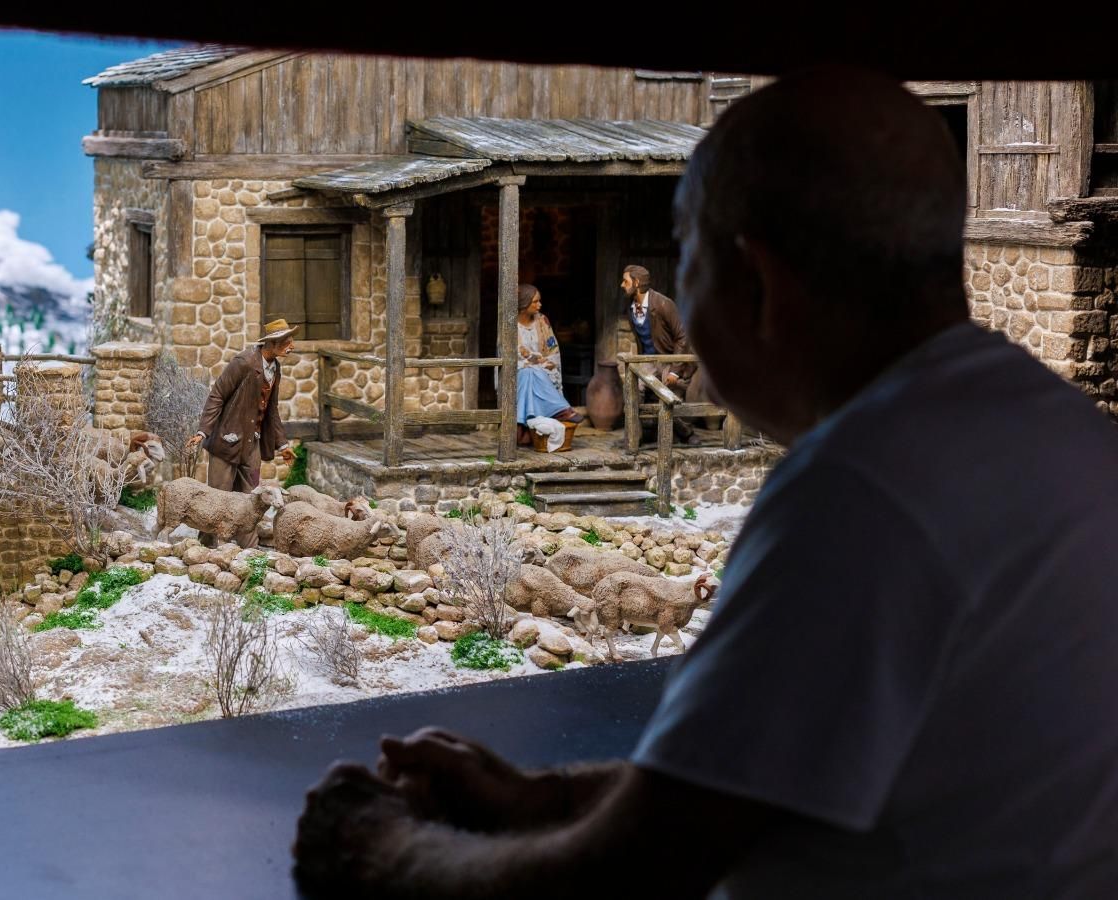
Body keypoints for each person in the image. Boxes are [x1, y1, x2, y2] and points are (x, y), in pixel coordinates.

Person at [291, 65, 1118, 899]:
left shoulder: (862, 496)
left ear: (756, 282)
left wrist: (373, 853)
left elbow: (639, 864)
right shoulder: (1057, 434)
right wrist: (543, 797)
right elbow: (729, 793)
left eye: (687, 261)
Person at [184, 317, 299, 547]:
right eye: (287, 341)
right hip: (227, 440)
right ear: (273, 343)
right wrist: (203, 431)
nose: (292, 345)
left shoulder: (275, 368)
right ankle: (207, 544)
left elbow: (271, 410)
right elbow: (217, 395)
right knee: (219, 495)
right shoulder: (244, 362)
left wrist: (282, 445)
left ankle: (248, 546)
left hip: (252, 442)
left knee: (250, 496)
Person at [624, 265, 697, 442]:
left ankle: (686, 433)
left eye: (625, 281)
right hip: (650, 360)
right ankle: (636, 435)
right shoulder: (632, 309)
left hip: (670, 359)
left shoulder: (663, 304)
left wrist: (674, 370)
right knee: (634, 388)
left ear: (636, 282)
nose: (622, 285)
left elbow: (682, 336)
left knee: (670, 395)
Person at [514, 284, 584, 446]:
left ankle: (521, 429)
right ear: (524, 305)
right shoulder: (510, 325)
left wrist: (545, 362)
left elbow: (553, 350)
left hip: (540, 369)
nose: (539, 305)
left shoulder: (542, 321)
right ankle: (561, 409)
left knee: (531, 374)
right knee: (528, 373)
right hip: (517, 370)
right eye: (535, 302)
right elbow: (510, 353)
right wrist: (532, 362)